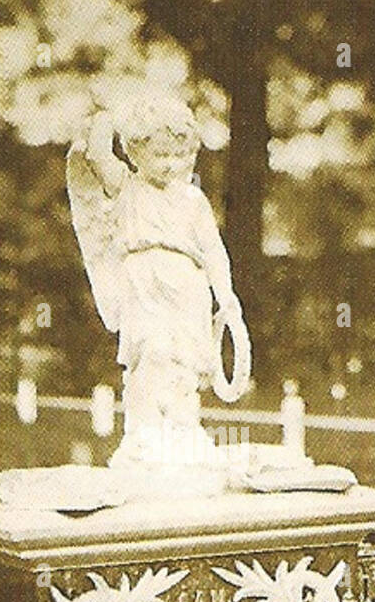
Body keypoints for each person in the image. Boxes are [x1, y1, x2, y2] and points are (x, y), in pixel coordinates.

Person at [67, 94, 249, 468]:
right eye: (160, 155)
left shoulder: (193, 199)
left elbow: (214, 249)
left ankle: (184, 427)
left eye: (180, 156)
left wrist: (226, 293)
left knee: (185, 356)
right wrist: (108, 114)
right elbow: (98, 154)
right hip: (143, 281)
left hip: (187, 284)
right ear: (135, 152)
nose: (171, 165)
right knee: (150, 351)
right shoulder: (127, 186)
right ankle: (144, 431)